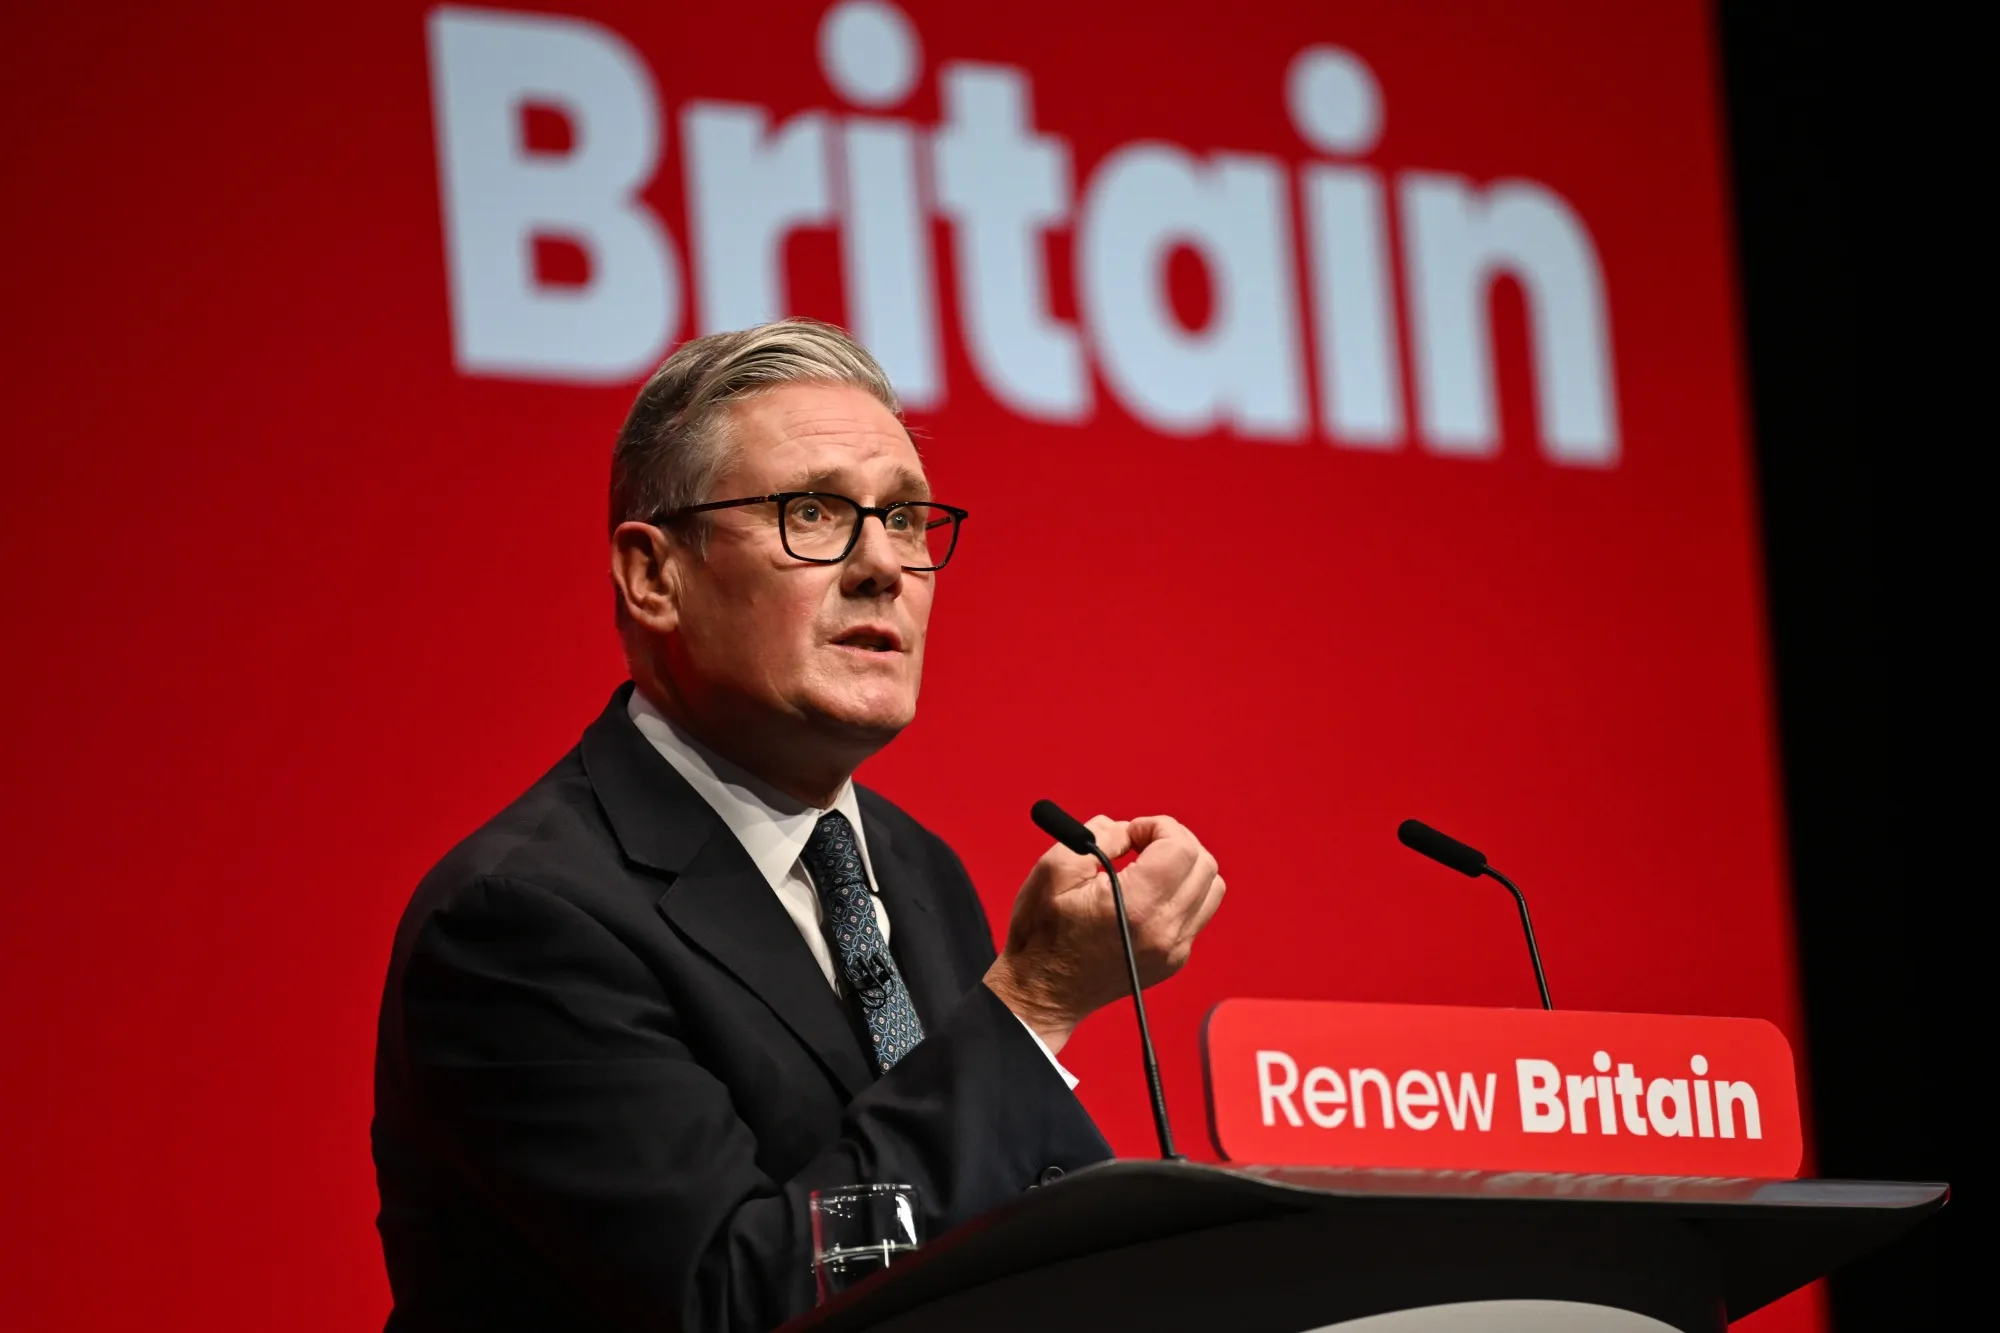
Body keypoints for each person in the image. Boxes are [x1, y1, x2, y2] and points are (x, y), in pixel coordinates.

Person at [371, 318, 1226, 1332]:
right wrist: (1031, 1004)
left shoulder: (911, 868)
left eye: (907, 519)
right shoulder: (525, 920)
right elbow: (735, 1300)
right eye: (812, 512)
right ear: (653, 575)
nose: (884, 567)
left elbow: (984, 1231)